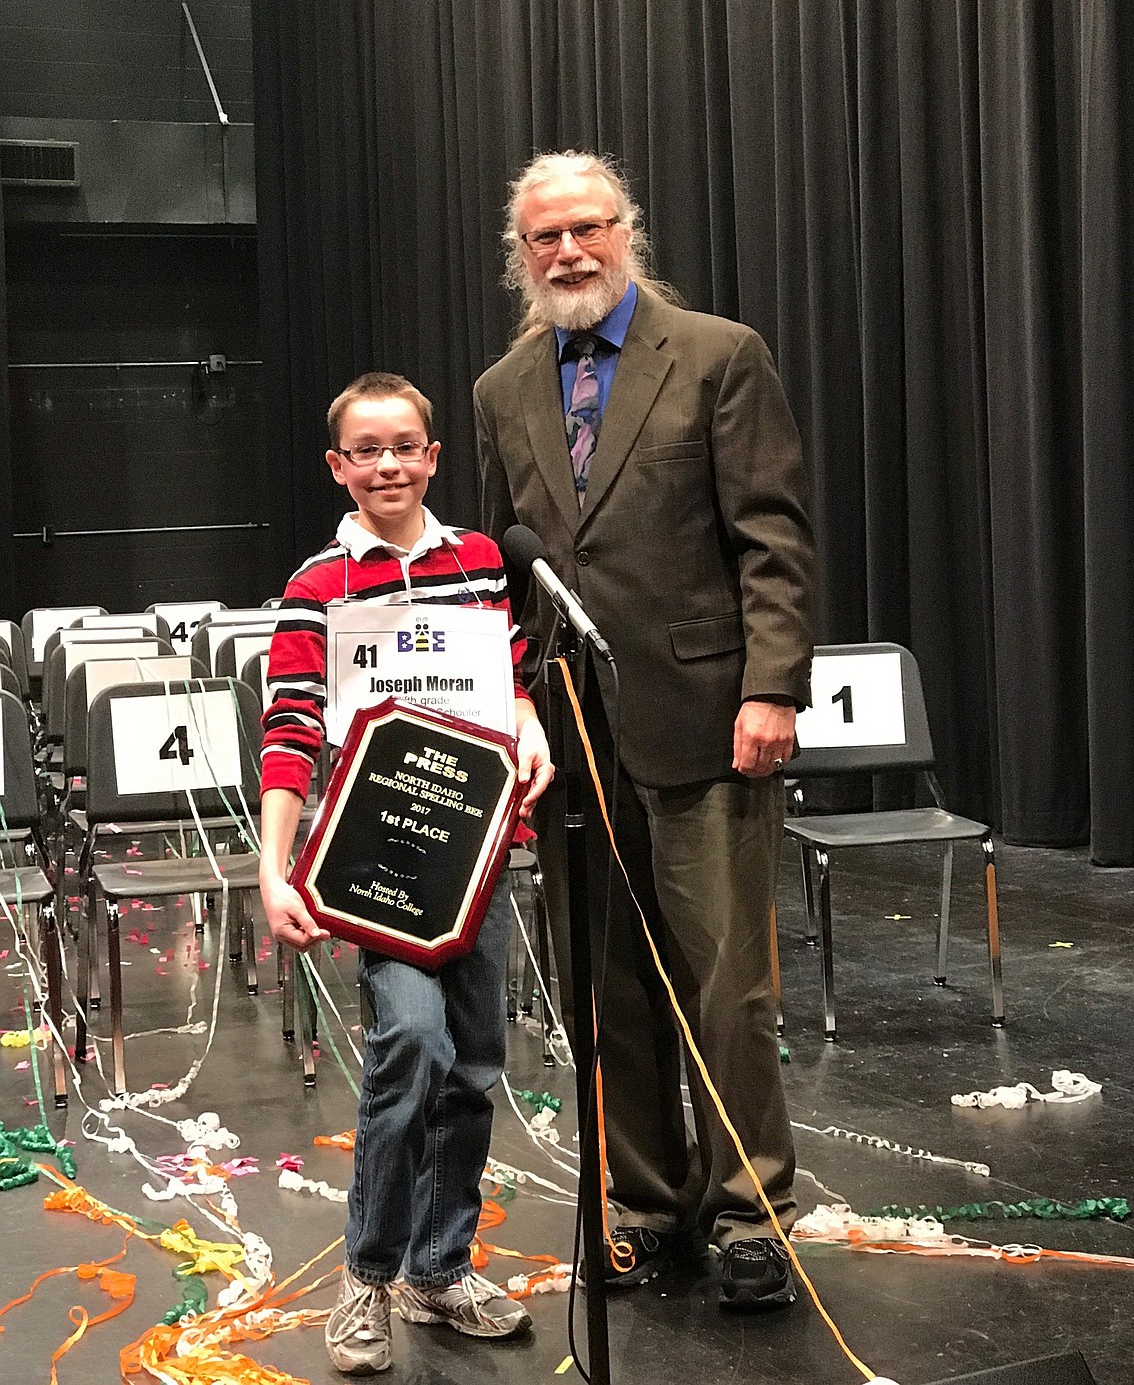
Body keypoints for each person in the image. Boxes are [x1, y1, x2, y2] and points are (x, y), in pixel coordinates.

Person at [474, 152, 817, 1311]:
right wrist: (513, 707)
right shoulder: (500, 390)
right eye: (544, 237)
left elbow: (770, 537)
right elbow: (501, 575)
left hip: (708, 721)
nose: (568, 251)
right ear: (520, 256)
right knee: (605, 988)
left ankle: (750, 1210)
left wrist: (772, 688)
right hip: (569, 740)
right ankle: (650, 1205)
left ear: (629, 230)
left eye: (587, 227)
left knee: (727, 987)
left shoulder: (720, 354)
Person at [259, 371, 554, 1375]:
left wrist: (532, 725)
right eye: (366, 450)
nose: (388, 465)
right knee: (413, 1047)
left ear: (433, 455)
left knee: (474, 1068)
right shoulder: (316, 587)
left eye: (406, 447)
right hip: (373, 866)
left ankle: (439, 1268)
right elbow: (292, 734)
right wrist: (274, 870)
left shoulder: (479, 564)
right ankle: (368, 1275)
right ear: (339, 467)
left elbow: (508, 688)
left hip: (476, 857)